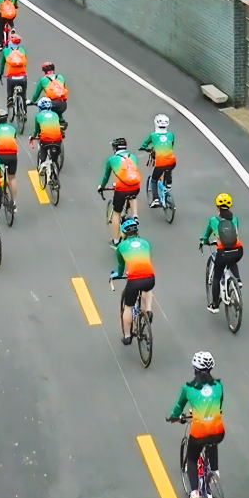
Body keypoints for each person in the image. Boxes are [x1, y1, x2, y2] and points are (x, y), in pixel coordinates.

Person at [167, 352, 224, 498]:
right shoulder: (218, 386)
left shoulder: (188, 389)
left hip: (199, 433)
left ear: (194, 369)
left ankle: (194, 493)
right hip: (218, 431)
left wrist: (174, 417)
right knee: (213, 440)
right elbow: (219, 407)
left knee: (192, 459)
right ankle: (215, 471)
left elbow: (179, 407)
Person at [109, 216, 155, 347]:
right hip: (150, 276)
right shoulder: (145, 243)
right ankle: (149, 310)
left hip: (134, 279)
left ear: (123, 232)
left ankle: (128, 336)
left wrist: (117, 275)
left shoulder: (121, 247)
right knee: (147, 289)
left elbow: (121, 267)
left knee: (128, 307)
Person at [199, 193, 242, 312]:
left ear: (217, 206)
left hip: (223, 252)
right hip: (238, 250)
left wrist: (204, 241)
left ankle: (215, 306)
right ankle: (238, 280)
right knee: (232, 260)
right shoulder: (235, 219)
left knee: (217, 277)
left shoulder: (213, 220)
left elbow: (206, 236)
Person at [98, 138, 141, 246]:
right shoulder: (133, 157)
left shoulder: (112, 159)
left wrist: (101, 186)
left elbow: (106, 176)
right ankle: (135, 215)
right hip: (135, 186)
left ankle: (116, 240)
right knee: (132, 195)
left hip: (121, 189)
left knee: (116, 213)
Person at [140, 114, 176, 208]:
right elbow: (171, 145)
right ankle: (168, 184)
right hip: (172, 161)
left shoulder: (153, 135)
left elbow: (143, 145)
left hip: (160, 162)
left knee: (154, 179)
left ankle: (155, 199)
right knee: (169, 167)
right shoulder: (171, 134)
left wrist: (146, 149)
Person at [0, 109, 19, 201]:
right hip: (12, 155)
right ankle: (13, 202)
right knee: (12, 178)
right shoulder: (13, 129)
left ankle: (1, 179)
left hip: (0, 155)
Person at [28, 98, 64, 174]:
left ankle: (43, 162)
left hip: (45, 140)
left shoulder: (38, 116)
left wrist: (33, 137)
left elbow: (36, 131)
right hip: (57, 139)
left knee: (43, 148)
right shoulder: (55, 115)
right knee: (55, 158)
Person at [0, 30, 27, 107]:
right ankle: (24, 112)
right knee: (23, 95)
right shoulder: (22, 50)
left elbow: (2, 64)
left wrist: (0, 74)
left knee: (10, 92)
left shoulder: (6, 50)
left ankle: (10, 99)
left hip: (11, 77)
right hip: (23, 77)